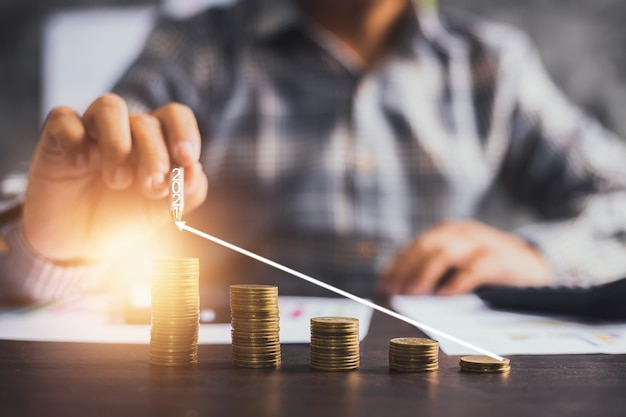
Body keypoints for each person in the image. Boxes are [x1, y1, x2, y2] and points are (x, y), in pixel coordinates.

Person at [2, 0, 626, 305]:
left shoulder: (492, 65)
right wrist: (53, 247)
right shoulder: (197, 50)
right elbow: (89, 181)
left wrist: (536, 256)